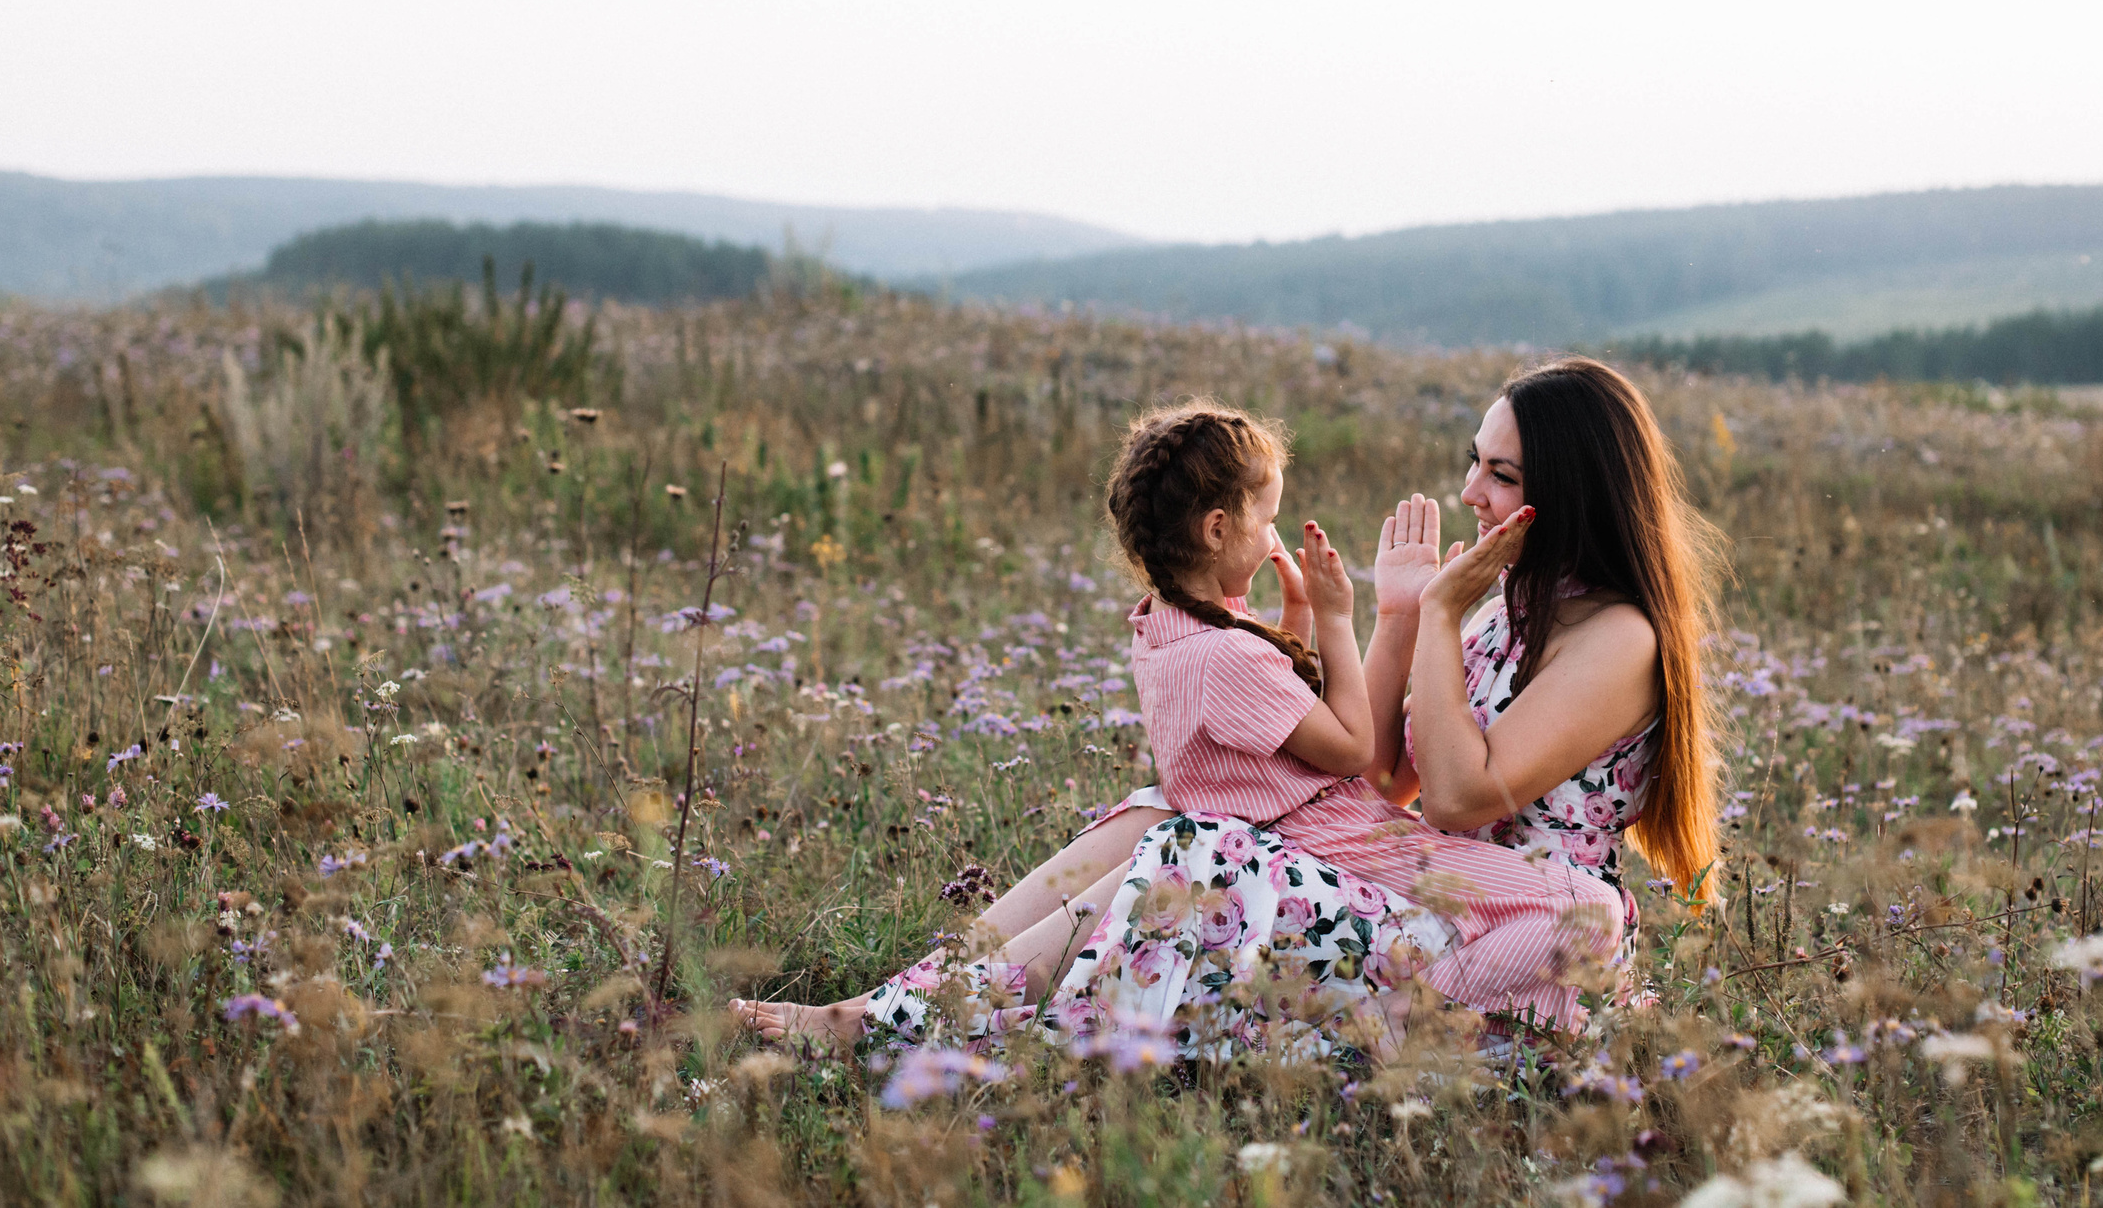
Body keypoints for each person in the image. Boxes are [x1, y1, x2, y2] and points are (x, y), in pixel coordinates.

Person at [738, 362, 1723, 1051]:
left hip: (1523, 947)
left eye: (1500, 475)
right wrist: (1392, 616)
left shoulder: (1619, 639)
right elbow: (1376, 773)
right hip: (1416, 890)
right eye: (1475, 459)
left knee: (1203, 849)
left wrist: (1432, 614)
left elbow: (1464, 799)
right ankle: (905, 1000)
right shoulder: (1502, 607)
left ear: (1573, 489)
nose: (1467, 488)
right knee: (1160, 814)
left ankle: (902, 1031)